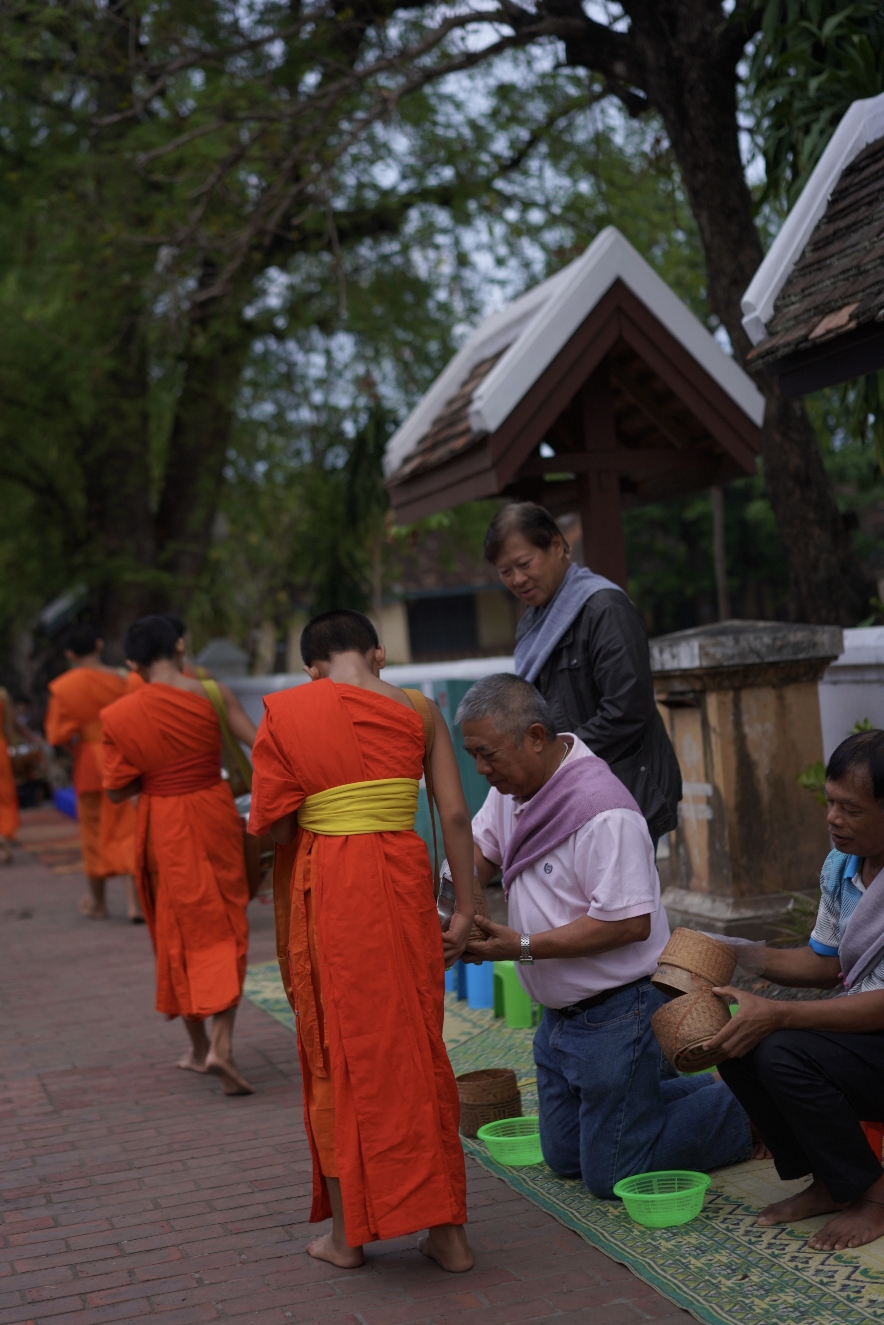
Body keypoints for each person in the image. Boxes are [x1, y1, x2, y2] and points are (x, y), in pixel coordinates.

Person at [456, 673, 750, 1199]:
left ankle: (756, 1106)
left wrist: (520, 946)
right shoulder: (514, 786)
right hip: (561, 1020)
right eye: (472, 754)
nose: (481, 769)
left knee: (611, 1176)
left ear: (536, 737)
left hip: (619, 1011)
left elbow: (629, 923)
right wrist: (455, 903)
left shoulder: (604, 812)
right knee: (565, 1158)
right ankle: (669, 1094)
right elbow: (480, 850)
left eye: (487, 754)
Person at [248, 608, 476, 1273]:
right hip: (404, 883)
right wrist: (464, 906)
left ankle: (349, 1236)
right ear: (377, 654)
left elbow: (274, 827)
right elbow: (456, 813)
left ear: (312, 666)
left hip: (335, 891)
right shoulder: (419, 709)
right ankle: (449, 1234)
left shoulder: (289, 712)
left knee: (338, 1051)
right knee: (415, 1044)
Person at [707, 730, 884, 1253]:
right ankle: (830, 1181)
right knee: (736, 1036)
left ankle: (873, 1196)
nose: (832, 818)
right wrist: (734, 952)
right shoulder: (843, 867)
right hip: (866, 1033)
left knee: (782, 1047)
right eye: (830, 802)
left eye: (850, 809)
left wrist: (780, 1015)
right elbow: (824, 963)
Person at [101, 614, 257, 1095]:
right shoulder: (213, 694)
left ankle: (196, 1048)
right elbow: (261, 744)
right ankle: (221, 1045)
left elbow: (114, 790)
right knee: (224, 922)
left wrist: (156, 772)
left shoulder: (120, 716)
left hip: (162, 826)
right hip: (212, 814)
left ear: (132, 662)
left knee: (175, 930)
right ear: (181, 646)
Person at [485, 502, 680, 844]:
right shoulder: (534, 622)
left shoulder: (604, 609)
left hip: (621, 792)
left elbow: (627, 711)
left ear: (557, 545)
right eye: (505, 572)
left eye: (524, 564)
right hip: (570, 793)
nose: (517, 579)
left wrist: (552, 757)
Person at [44, 623, 142, 921]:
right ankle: (134, 904)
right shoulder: (126, 680)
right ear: (99, 644)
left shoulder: (64, 687)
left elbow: (56, 736)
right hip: (123, 758)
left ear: (70, 654)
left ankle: (99, 903)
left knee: (93, 834)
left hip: (89, 763)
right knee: (129, 830)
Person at [0, 686, 19, 864]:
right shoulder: (2, 694)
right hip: (0, 748)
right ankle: (4, 833)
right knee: (4, 796)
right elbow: (11, 724)